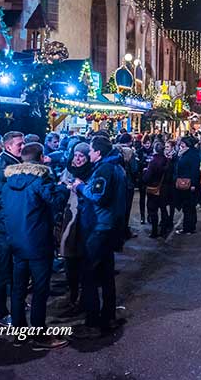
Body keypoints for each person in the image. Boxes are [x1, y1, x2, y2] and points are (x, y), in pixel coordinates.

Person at [1, 143, 68, 350]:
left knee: (19, 288)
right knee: (40, 289)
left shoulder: (9, 182)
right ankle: (39, 334)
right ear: (40, 158)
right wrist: (63, 187)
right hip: (38, 242)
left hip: (16, 241)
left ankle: (20, 332)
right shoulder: (40, 180)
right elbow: (55, 201)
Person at [72, 136, 127, 338]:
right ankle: (108, 316)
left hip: (99, 226)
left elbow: (98, 196)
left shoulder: (105, 169)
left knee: (89, 274)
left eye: (92, 150)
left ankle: (92, 322)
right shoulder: (116, 167)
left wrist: (79, 186)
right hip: (110, 226)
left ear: (99, 152)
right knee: (106, 274)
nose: (89, 154)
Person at [0, 131, 24, 327]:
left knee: (14, 268)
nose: (23, 146)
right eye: (19, 144)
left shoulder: (13, 163)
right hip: (2, 228)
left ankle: (16, 303)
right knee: (2, 270)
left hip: (11, 226)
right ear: (8, 146)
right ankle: (1, 313)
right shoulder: (2, 167)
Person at [54, 142, 92, 317]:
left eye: (81, 156)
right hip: (68, 218)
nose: (77, 159)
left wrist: (78, 187)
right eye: (76, 155)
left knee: (83, 260)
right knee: (69, 257)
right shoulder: (68, 169)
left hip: (82, 219)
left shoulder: (91, 173)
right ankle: (73, 293)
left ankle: (83, 298)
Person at [142, 141, 172, 238]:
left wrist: (145, 173)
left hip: (153, 190)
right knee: (163, 209)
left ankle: (154, 231)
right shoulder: (167, 161)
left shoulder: (153, 162)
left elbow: (147, 178)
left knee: (153, 211)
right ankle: (163, 230)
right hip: (165, 189)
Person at [114, 134, 140, 239]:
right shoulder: (130, 152)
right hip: (128, 183)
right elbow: (134, 169)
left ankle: (117, 231)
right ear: (129, 141)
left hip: (116, 183)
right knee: (126, 208)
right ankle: (124, 231)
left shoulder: (114, 149)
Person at [174, 136, 201, 235]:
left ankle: (188, 228)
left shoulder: (192, 154)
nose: (181, 145)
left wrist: (193, 183)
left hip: (188, 183)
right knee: (188, 206)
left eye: (182, 143)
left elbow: (195, 170)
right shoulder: (184, 153)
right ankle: (189, 227)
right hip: (184, 182)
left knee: (189, 206)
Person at [136, 136, 153, 225]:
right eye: (145, 143)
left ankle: (150, 215)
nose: (147, 145)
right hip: (142, 177)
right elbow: (137, 164)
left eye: (148, 143)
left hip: (150, 178)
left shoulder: (153, 151)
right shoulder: (139, 151)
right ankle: (142, 216)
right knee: (142, 198)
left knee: (150, 198)